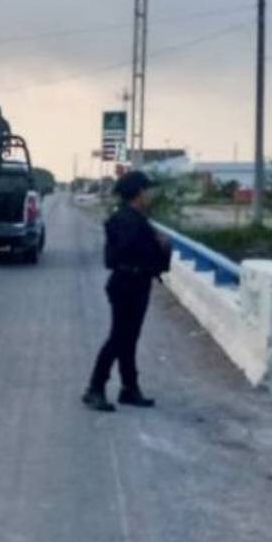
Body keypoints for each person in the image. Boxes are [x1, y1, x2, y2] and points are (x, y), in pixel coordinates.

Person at [83, 171, 171, 412]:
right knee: (119, 338)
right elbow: (130, 253)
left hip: (132, 283)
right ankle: (94, 388)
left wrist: (157, 245)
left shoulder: (132, 218)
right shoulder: (128, 220)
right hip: (128, 284)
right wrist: (160, 245)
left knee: (128, 338)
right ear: (139, 193)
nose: (151, 195)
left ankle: (129, 388)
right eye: (148, 190)